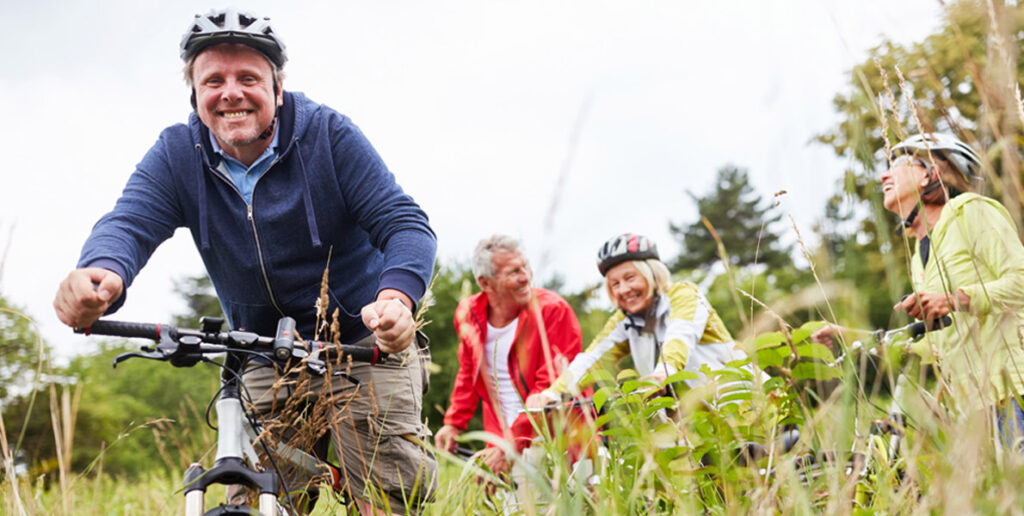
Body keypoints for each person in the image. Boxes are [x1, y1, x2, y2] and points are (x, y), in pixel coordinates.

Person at [52, 8, 436, 515]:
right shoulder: (176, 154)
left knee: (387, 501)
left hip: (361, 346)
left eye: (248, 78)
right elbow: (129, 223)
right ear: (195, 95)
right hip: (260, 353)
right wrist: (100, 273)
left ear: (277, 89)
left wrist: (396, 298)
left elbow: (403, 221)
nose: (230, 92)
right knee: (255, 502)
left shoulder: (328, 135)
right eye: (213, 80)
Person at [814, 133, 1024, 447]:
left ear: (929, 172)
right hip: (972, 408)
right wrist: (851, 334)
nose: (884, 174)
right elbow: (937, 346)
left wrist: (956, 299)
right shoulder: (918, 257)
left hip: (1012, 390)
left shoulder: (972, 211)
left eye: (897, 164)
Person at [525, 233, 760, 411]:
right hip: (696, 425)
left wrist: (661, 374)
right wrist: (553, 394)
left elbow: (680, 336)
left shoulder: (683, 294)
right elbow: (593, 359)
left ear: (652, 274)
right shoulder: (623, 321)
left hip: (744, 405)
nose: (624, 289)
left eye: (630, 277)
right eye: (615, 284)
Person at [434, 235, 583, 478]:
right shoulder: (469, 313)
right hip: (501, 441)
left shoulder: (553, 311)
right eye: (514, 271)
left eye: (525, 266)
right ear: (486, 283)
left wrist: (510, 447)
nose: (526, 276)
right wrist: (454, 424)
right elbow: (467, 375)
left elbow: (550, 389)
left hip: (556, 439)